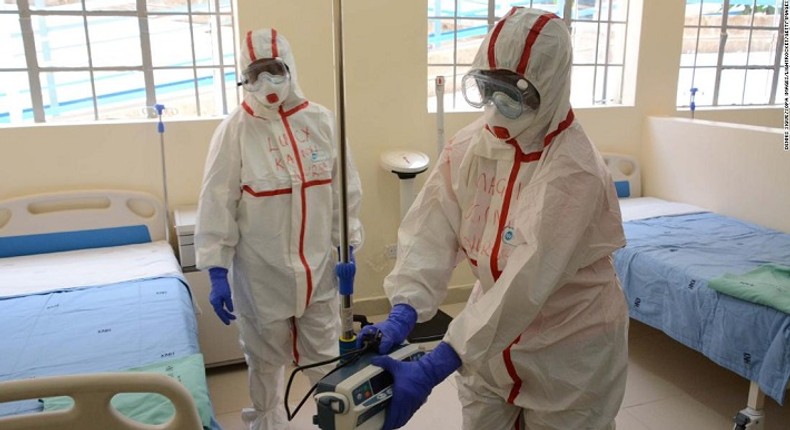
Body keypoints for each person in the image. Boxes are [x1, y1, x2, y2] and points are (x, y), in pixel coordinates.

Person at [358, 7, 628, 430]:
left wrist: (437, 363)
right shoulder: (472, 146)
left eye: (514, 93)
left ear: (550, 87)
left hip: (569, 350)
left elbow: (527, 280)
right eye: (489, 86)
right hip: (489, 342)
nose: (496, 104)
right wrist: (404, 310)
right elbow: (431, 227)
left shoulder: (574, 169)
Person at [194, 28, 363, 430]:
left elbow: (346, 191)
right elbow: (216, 202)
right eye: (255, 74)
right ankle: (267, 424)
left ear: (290, 68)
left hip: (319, 271)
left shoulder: (321, 121)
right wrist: (217, 272)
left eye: (274, 70)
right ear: (243, 77)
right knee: (265, 364)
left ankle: (333, 421)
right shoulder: (234, 131)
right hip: (261, 275)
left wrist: (348, 246)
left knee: (324, 359)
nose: (267, 83)